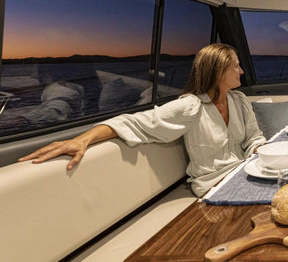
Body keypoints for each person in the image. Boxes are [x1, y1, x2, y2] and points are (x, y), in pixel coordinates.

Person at [18, 44, 266, 197]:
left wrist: (261, 151)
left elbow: (254, 137)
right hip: (213, 184)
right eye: (236, 66)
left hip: (242, 173)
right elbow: (132, 122)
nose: (241, 71)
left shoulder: (239, 100)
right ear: (218, 71)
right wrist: (81, 140)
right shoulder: (190, 106)